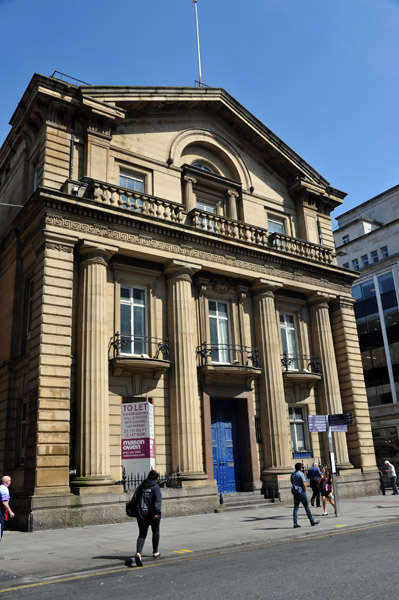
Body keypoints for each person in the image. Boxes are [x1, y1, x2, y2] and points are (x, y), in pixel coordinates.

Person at [131, 469, 162, 567]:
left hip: (141, 515)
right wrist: (156, 513)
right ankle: (155, 552)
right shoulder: (155, 487)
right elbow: (157, 501)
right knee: (155, 531)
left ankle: (138, 553)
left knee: (142, 535)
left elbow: (134, 499)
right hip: (152, 515)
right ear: (156, 479)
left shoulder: (141, 486)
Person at [290, 463, 320, 529]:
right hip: (301, 492)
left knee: (296, 507)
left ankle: (295, 523)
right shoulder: (301, 474)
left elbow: (292, 483)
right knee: (306, 506)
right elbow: (304, 484)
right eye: (302, 467)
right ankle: (312, 521)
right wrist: (304, 491)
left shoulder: (292, 475)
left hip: (295, 492)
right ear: (300, 468)